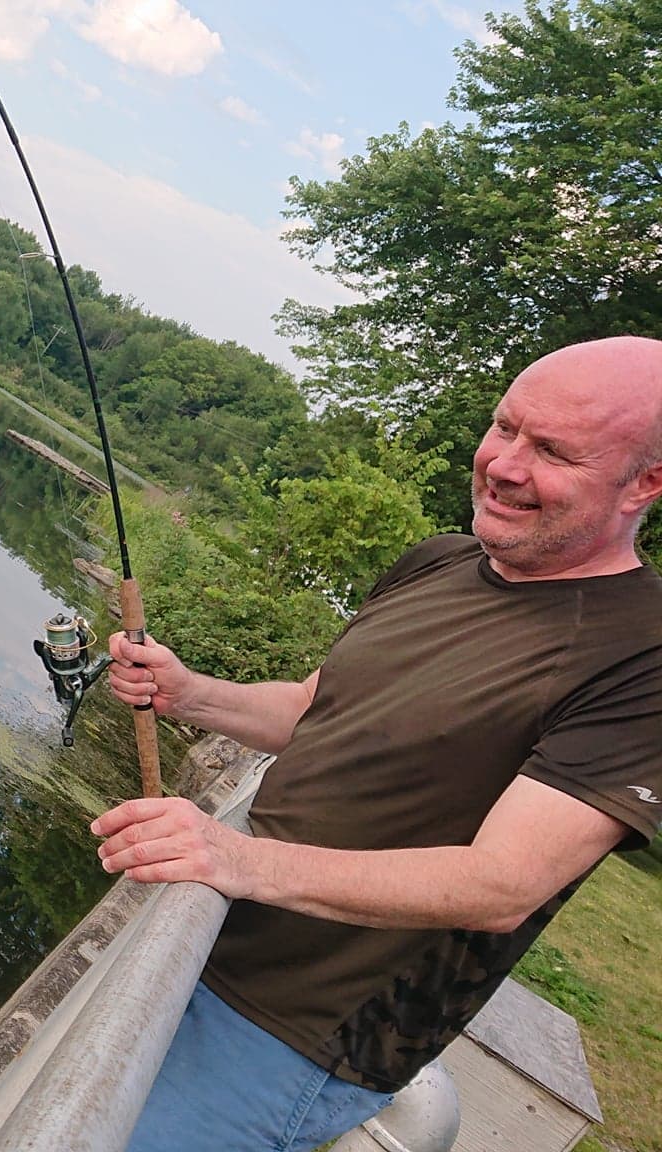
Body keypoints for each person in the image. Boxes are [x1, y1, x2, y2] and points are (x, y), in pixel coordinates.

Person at [93, 335, 662, 1152]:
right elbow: (314, 710)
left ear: (645, 483)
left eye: (553, 451)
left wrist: (238, 859)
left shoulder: (641, 657)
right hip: (197, 935)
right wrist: (191, 694)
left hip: (292, 1037)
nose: (504, 465)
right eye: (505, 427)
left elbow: (502, 883)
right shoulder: (439, 562)